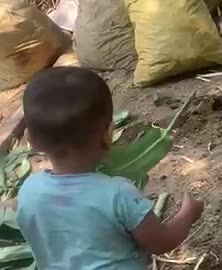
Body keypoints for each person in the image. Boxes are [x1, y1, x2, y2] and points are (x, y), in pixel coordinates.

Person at [16, 66, 204, 269]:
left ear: (30, 140)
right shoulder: (118, 195)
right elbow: (161, 242)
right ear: (107, 134)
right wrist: (188, 213)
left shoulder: (29, 191)